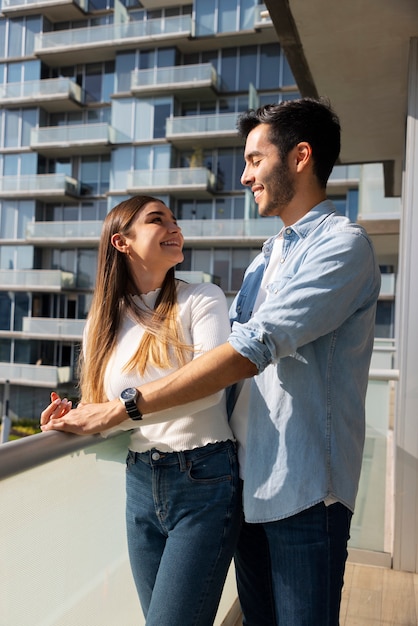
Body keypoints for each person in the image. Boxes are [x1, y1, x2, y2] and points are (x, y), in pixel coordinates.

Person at [41, 98, 381, 626]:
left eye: (253, 159)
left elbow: (250, 350)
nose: (244, 176)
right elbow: (218, 371)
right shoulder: (266, 259)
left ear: (300, 157)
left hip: (304, 491)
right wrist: (85, 411)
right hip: (247, 486)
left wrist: (119, 411)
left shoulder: (343, 247)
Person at [41, 195, 241, 626]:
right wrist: (69, 418)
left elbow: (210, 388)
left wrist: (115, 411)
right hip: (139, 483)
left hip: (203, 480)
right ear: (122, 242)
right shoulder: (104, 319)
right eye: (157, 220)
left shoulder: (203, 299)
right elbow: (100, 406)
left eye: (174, 218)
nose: (175, 227)